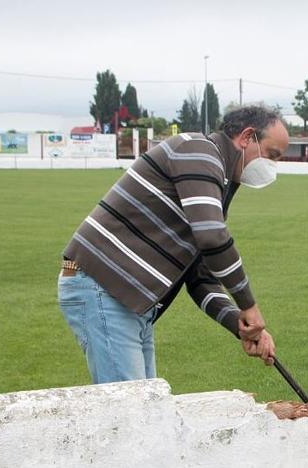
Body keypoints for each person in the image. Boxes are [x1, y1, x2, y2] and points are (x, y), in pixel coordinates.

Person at [57, 106, 288, 384]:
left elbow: (199, 275)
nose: (272, 167)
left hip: (129, 300)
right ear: (247, 137)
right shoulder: (198, 151)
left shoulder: (219, 179)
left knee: (146, 407)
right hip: (104, 287)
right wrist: (249, 306)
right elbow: (213, 237)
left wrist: (240, 324)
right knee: (131, 413)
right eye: (272, 155)